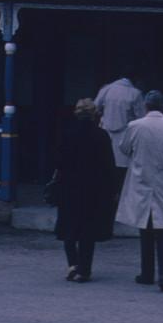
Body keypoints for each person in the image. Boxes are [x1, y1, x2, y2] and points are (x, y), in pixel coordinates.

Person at [115, 90, 163, 293]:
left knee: (145, 229)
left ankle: (146, 272)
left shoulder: (135, 126)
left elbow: (123, 148)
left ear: (146, 107)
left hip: (142, 181)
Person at [51, 98, 116, 283]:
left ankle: (72, 264)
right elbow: (108, 165)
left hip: (69, 186)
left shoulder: (67, 133)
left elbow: (58, 161)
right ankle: (84, 269)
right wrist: (112, 188)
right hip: (93, 188)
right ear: (94, 113)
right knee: (88, 230)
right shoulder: (101, 135)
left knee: (70, 227)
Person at [95, 74, 145, 181]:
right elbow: (141, 118)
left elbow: (95, 107)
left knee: (106, 164)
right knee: (124, 171)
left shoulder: (106, 89)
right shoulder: (135, 93)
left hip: (106, 133)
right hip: (126, 135)